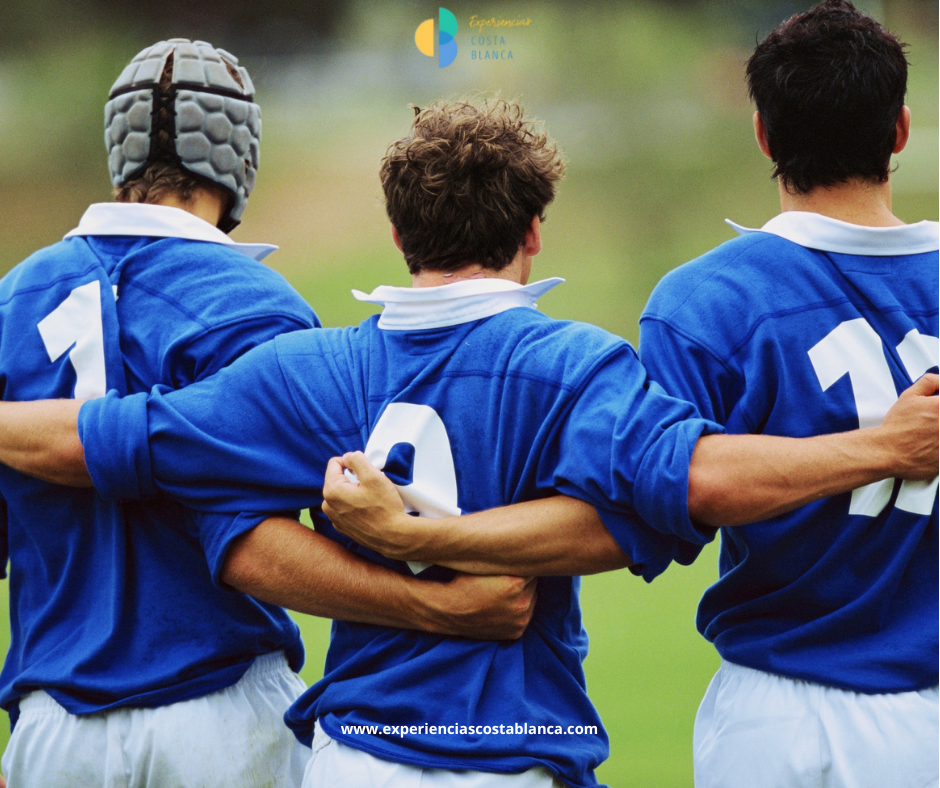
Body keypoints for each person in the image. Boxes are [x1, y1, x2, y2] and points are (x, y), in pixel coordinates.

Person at [0, 97, 935, 788]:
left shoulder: (307, 371)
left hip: (356, 758)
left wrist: (409, 542)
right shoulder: (583, 366)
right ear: (534, 234)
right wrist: (884, 446)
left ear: (400, 234)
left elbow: (107, 438)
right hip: (522, 750)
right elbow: (665, 495)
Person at [0, 42, 533, 788]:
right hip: (217, 715)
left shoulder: (13, 300)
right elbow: (254, 545)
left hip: (50, 730)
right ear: (238, 157)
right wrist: (431, 605)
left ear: (117, 154)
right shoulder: (252, 305)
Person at [637, 3, 938, 786]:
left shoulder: (705, 300)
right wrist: (884, 447)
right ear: (900, 130)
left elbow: (680, 491)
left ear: (765, 136)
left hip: (779, 719)